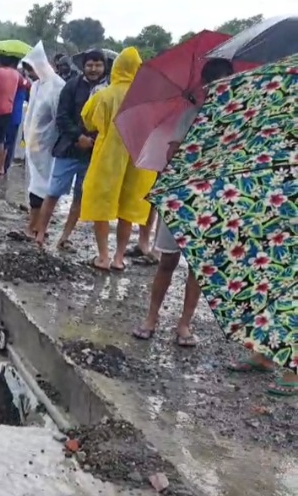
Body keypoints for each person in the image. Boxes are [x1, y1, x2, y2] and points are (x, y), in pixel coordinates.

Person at [132, 58, 235, 348]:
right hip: (183, 198)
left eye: (225, 82)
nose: (220, 88)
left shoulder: (236, 120)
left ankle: (185, 324)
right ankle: (152, 317)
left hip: (214, 201)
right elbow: (172, 156)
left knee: (198, 268)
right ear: (204, 85)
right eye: (214, 82)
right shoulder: (190, 115)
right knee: (167, 260)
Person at [78, 47, 157, 272]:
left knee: (101, 205)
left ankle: (103, 256)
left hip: (107, 159)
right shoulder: (148, 99)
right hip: (139, 159)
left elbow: (88, 121)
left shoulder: (104, 94)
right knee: (128, 210)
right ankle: (119, 258)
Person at [33, 49, 108, 250]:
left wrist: (93, 139)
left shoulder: (108, 90)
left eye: (98, 65)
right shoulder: (72, 86)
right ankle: (40, 233)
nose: (94, 69)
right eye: (90, 65)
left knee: (80, 197)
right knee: (53, 192)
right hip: (69, 149)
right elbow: (62, 117)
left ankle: (65, 237)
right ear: (83, 66)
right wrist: (79, 136)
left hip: (93, 153)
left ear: (104, 66)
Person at [18, 43, 64, 242]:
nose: (30, 74)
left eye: (31, 69)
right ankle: (34, 225)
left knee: (44, 189)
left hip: (48, 146)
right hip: (34, 144)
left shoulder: (57, 86)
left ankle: (37, 227)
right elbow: (32, 114)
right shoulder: (36, 85)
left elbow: (58, 118)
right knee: (34, 187)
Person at [2, 59, 33, 177]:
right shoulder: (23, 82)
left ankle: (2, 167)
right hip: (14, 116)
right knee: (8, 143)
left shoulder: (21, 82)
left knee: (6, 143)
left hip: (11, 115)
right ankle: (3, 166)